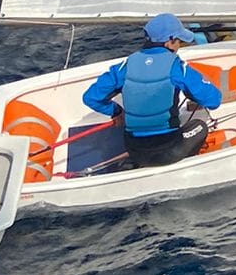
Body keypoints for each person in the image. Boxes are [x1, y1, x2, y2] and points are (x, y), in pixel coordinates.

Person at [82, 13, 222, 168]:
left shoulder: (124, 67)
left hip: (134, 150)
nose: (179, 47)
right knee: (199, 126)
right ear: (170, 42)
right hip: (169, 150)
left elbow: (90, 97)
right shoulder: (177, 68)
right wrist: (192, 93)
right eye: (179, 41)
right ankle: (184, 166)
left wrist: (116, 112)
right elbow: (214, 101)